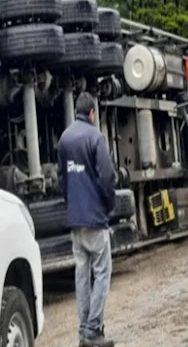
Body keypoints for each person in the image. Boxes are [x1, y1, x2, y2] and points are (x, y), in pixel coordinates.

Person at [58, 92, 117, 347]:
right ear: (92, 113)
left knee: (81, 275)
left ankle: (83, 332)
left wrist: (71, 205)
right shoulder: (96, 137)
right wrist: (109, 206)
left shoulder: (65, 138)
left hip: (75, 219)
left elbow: (62, 178)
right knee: (102, 272)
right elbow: (107, 178)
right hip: (95, 219)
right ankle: (94, 330)